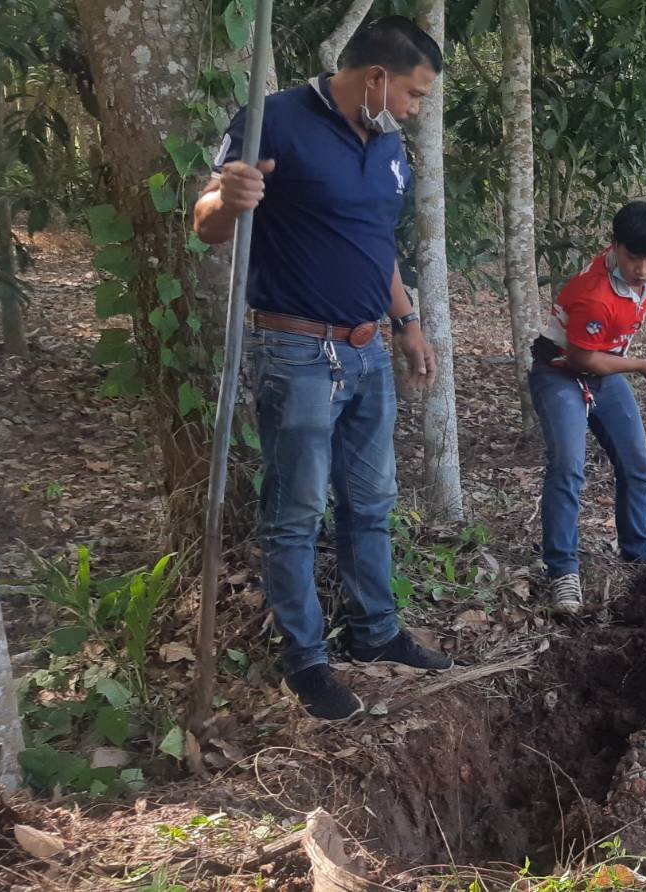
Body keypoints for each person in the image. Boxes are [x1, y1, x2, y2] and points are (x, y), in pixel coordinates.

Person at [193, 16, 454, 722]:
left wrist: (408, 324)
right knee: (296, 513)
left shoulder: (387, 146)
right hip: (298, 351)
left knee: (370, 503)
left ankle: (376, 633)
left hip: (369, 349)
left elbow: (377, 246)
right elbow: (206, 219)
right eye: (414, 93)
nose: (415, 109)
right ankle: (305, 659)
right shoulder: (272, 121)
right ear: (375, 77)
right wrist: (228, 200)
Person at [528, 201, 646, 613]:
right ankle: (562, 571)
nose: (643, 270)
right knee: (568, 467)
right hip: (561, 373)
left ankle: (638, 553)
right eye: (633, 258)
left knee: (637, 462)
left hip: (604, 373)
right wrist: (642, 365)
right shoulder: (593, 294)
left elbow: (643, 287)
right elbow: (581, 360)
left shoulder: (640, 279)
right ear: (615, 247)